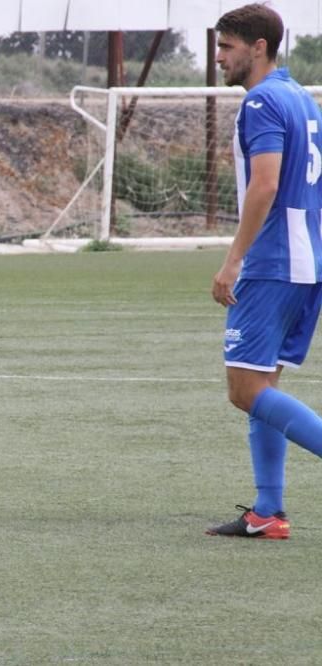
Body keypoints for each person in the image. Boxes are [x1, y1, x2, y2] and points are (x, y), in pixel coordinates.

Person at [207, 4, 322, 539]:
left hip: (273, 261)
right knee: (263, 383)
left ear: (258, 47)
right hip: (308, 260)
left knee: (243, 388)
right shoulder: (302, 98)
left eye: (227, 47)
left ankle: (269, 510)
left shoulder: (261, 101)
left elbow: (266, 184)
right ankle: (268, 512)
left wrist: (234, 259)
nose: (219, 56)